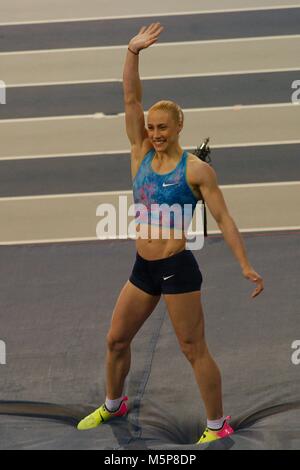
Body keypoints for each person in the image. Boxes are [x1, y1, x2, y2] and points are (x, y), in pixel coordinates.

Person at [77, 23, 264, 444]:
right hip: (143, 267)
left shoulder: (196, 171)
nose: (155, 134)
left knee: (192, 349)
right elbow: (131, 97)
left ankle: (217, 426)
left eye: (163, 128)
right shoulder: (140, 152)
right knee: (115, 340)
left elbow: (225, 220)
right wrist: (132, 52)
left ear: (178, 127)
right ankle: (114, 404)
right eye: (151, 127)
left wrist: (245, 265)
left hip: (177, 270)